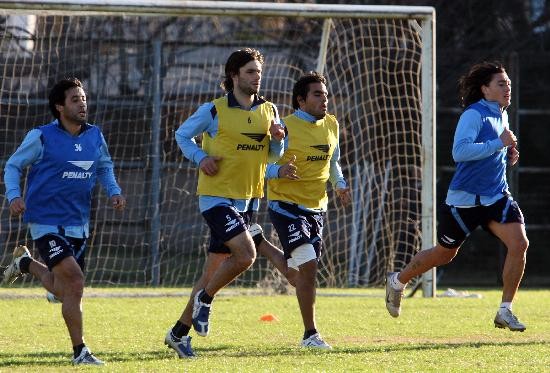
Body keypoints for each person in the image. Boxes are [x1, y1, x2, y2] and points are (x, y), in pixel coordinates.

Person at [165, 48, 297, 358]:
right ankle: (206, 301)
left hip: (248, 200)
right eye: (250, 72)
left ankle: (178, 333)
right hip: (216, 197)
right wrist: (201, 157)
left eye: (259, 72)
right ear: (234, 76)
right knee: (246, 255)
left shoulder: (270, 111)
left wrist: (278, 139)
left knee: (212, 271)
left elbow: (271, 157)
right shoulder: (213, 110)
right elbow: (182, 135)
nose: (257, 78)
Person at [385, 61, 528, 332]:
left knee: (519, 244)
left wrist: (506, 154)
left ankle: (505, 310)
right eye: (501, 83)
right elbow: (460, 153)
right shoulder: (473, 115)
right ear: (485, 89)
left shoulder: (501, 113)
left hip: (496, 196)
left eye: (508, 83)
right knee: (444, 254)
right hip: (464, 200)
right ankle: (398, 281)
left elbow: (492, 149)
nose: (507, 87)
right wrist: (499, 144)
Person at [2, 77, 126, 365]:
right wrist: (13, 196)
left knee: (66, 288)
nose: (82, 103)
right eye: (74, 99)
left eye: (83, 98)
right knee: (76, 281)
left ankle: (26, 264)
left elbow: (104, 167)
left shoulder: (95, 135)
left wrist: (114, 191)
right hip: (45, 221)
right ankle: (80, 351)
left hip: (78, 223)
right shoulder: (41, 136)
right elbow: (13, 165)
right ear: (59, 106)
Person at [267, 72, 352, 349]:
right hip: (285, 205)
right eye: (317, 94)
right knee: (310, 267)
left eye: (325, 95)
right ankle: (310, 335)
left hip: (317, 208)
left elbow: (334, 161)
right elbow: (259, 166)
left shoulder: (332, 124)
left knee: (299, 275)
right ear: (301, 101)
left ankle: (259, 243)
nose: (324, 100)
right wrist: (279, 170)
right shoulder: (284, 127)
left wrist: (340, 184)